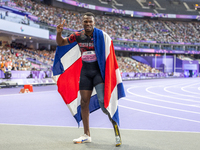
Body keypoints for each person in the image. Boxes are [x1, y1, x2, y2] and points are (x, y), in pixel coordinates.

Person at [56, 12, 122, 146]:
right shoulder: (78, 35)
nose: (88, 24)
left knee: (104, 104)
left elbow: (110, 50)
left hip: (98, 73)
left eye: (90, 21)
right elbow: (61, 42)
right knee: (84, 102)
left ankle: (116, 129)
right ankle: (87, 134)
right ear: (83, 23)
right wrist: (58, 33)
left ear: (94, 22)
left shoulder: (101, 36)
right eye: (86, 21)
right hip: (85, 72)